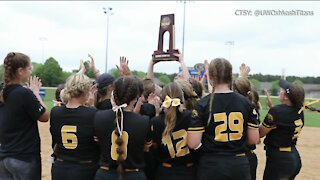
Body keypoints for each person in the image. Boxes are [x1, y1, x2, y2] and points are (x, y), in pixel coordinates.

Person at [187, 58, 260, 180]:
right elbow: (253, 139)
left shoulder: (203, 104)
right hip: (238, 164)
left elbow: (193, 143)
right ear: (230, 77)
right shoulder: (246, 103)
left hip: (212, 165)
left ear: (210, 78)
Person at [0, 52, 49, 180]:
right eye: (29, 68)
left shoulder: (3, 92)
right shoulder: (24, 93)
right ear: (21, 71)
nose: (30, 72)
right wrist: (36, 93)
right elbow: (44, 116)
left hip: (4, 157)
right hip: (24, 158)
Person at [94, 76, 152, 180]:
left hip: (105, 174)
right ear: (136, 98)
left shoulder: (99, 117)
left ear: (113, 95)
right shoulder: (144, 121)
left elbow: (97, 144)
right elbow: (146, 148)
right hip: (133, 175)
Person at [50, 73, 99, 180]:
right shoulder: (92, 114)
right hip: (84, 169)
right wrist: (91, 106)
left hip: (60, 168)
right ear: (86, 91)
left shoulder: (55, 112)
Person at [259, 80, 306, 180]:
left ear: (285, 97)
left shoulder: (277, 112)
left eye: (281, 90)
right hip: (293, 158)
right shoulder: (299, 110)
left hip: (280, 160)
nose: (280, 91)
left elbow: (260, 133)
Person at [151, 82, 196, 180]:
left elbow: (154, 150)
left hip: (165, 171)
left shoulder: (156, 121)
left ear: (162, 100)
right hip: (188, 171)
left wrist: (157, 113)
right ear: (182, 99)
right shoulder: (190, 117)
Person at [233, 76, 260, 180]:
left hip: (233, 157)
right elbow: (254, 140)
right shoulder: (252, 107)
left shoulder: (230, 106)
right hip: (248, 156)